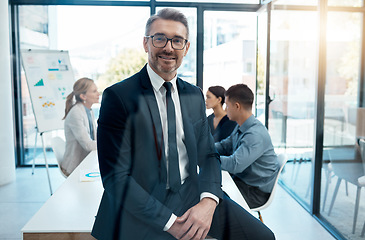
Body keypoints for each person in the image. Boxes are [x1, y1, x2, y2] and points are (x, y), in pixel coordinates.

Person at [92, 8, 275, 240]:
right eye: (160, 38)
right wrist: (170, 223)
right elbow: (115, 178)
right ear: (146, 43)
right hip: (143, 201)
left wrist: (208, 200)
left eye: (177, 40)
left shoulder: (194, 95)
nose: (169, 47)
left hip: (191, 193)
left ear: (186, 48)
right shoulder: (119, 97)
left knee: (263, 237)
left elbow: (208, 155)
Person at [215, 84, 279, 209]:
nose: (225, 109)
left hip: (255, 193)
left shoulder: (255, 134)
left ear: (237, 106)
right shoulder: (242, 126)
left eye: (227, 105)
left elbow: (235, 165)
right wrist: (204, 149)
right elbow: (224, 146)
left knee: (211, 199)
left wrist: (206, 158)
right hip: (243, 182)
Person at [61, 77, 99, 177]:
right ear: (83, 96)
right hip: (74, 166)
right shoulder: (76, 113)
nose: (98, 94)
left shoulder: (88, 110)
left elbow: (94, 138)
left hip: (86, 162)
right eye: (94, 91)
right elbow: (88, 145)